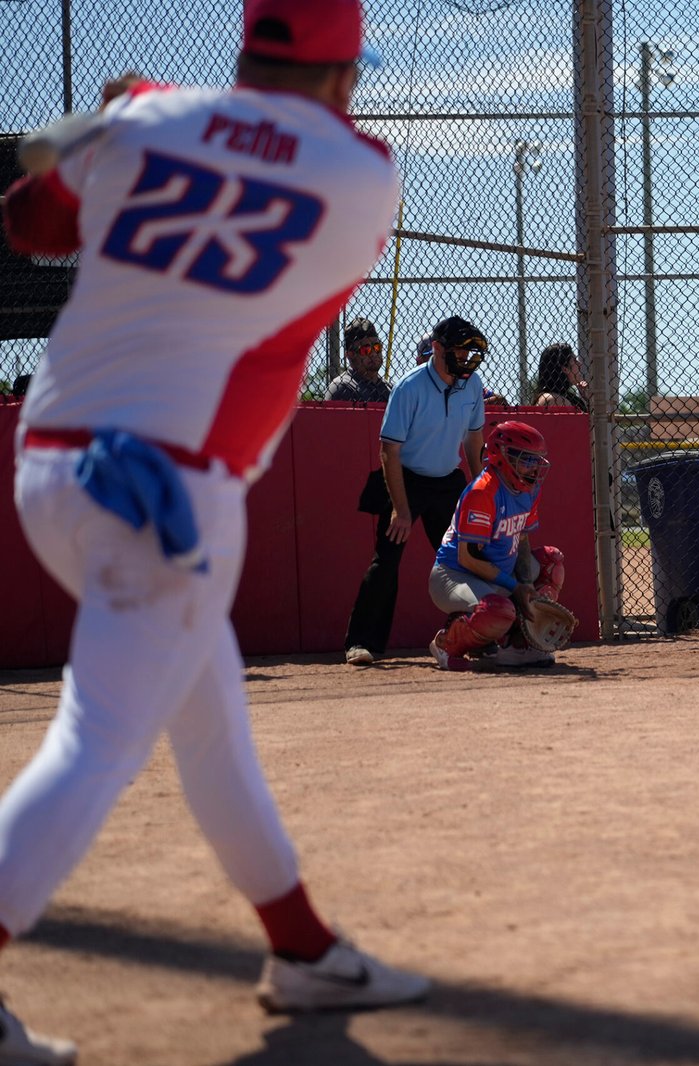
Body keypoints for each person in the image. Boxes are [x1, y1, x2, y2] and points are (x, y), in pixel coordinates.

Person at [0, 1, 428, 1059]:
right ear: (342, 76)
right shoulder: (363, 173)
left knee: (209, 724)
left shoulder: (144, 118)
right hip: (164, 494)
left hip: (50, 463)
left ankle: (304, 949)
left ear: (244, 49)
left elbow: (29, 224)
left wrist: (109, 130)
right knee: (99, 738)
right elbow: (281, 240)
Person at [343, 315, 488, 665]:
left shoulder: (472, 385)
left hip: (447, 479)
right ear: (436, 349)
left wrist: (481, 491)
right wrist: (401, 508)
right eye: (458, 351)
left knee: (467, 558)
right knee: (386, 560)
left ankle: (476, 635)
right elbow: (388, 451)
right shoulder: (409, 388)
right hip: (406, 479)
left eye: (469, 353)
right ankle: (361, 642)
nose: (465, 359)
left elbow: (473, 443)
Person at [427, 421, 568, 669]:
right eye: (527, 459)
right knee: (497, 611)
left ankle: (518, 645)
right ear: (502, 456)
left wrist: (525, 584)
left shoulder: (528, 488)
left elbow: (521, 538)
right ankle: (446, 644)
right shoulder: (483, 492)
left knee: (551, 562)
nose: (534, 467)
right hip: (456, 575)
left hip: (499, 573)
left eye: (537, 460)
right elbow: (468, 558)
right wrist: (515, 587)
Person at [324, 316, 390, 402]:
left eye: (377, 347)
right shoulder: (342, 387)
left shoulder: (390, 389)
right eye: (366, 349)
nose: (374, 354)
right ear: (350, 354)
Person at [533, 342, 589, 411]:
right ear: (565, 369)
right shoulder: (555, 400)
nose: (580, 364)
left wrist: (588, 399)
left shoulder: (566, 396)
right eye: (575, 361)